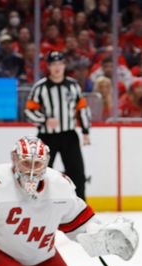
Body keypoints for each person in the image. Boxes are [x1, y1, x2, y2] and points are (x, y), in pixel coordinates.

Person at [0, 137, 138, 266]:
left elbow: (80, 221)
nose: (31, 171)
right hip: (0, 253)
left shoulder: (60, 186)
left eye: (37, 164)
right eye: (26, 163)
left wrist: (101, 235)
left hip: (41, 256)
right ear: (14, 160)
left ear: (46, 163)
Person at [25, 51, 92, 200]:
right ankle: (39, 204)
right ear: (48, 66)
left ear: (64, 65)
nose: (57, 67)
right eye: (53, 64)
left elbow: (82, 109)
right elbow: (29, 110)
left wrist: (86, 131)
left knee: (77, 173)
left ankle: (80, 207)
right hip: (47, 136)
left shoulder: (73, 85)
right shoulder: (40, 87)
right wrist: (44, 120)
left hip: (69, 135)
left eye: (60, 64)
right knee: (41, 172)